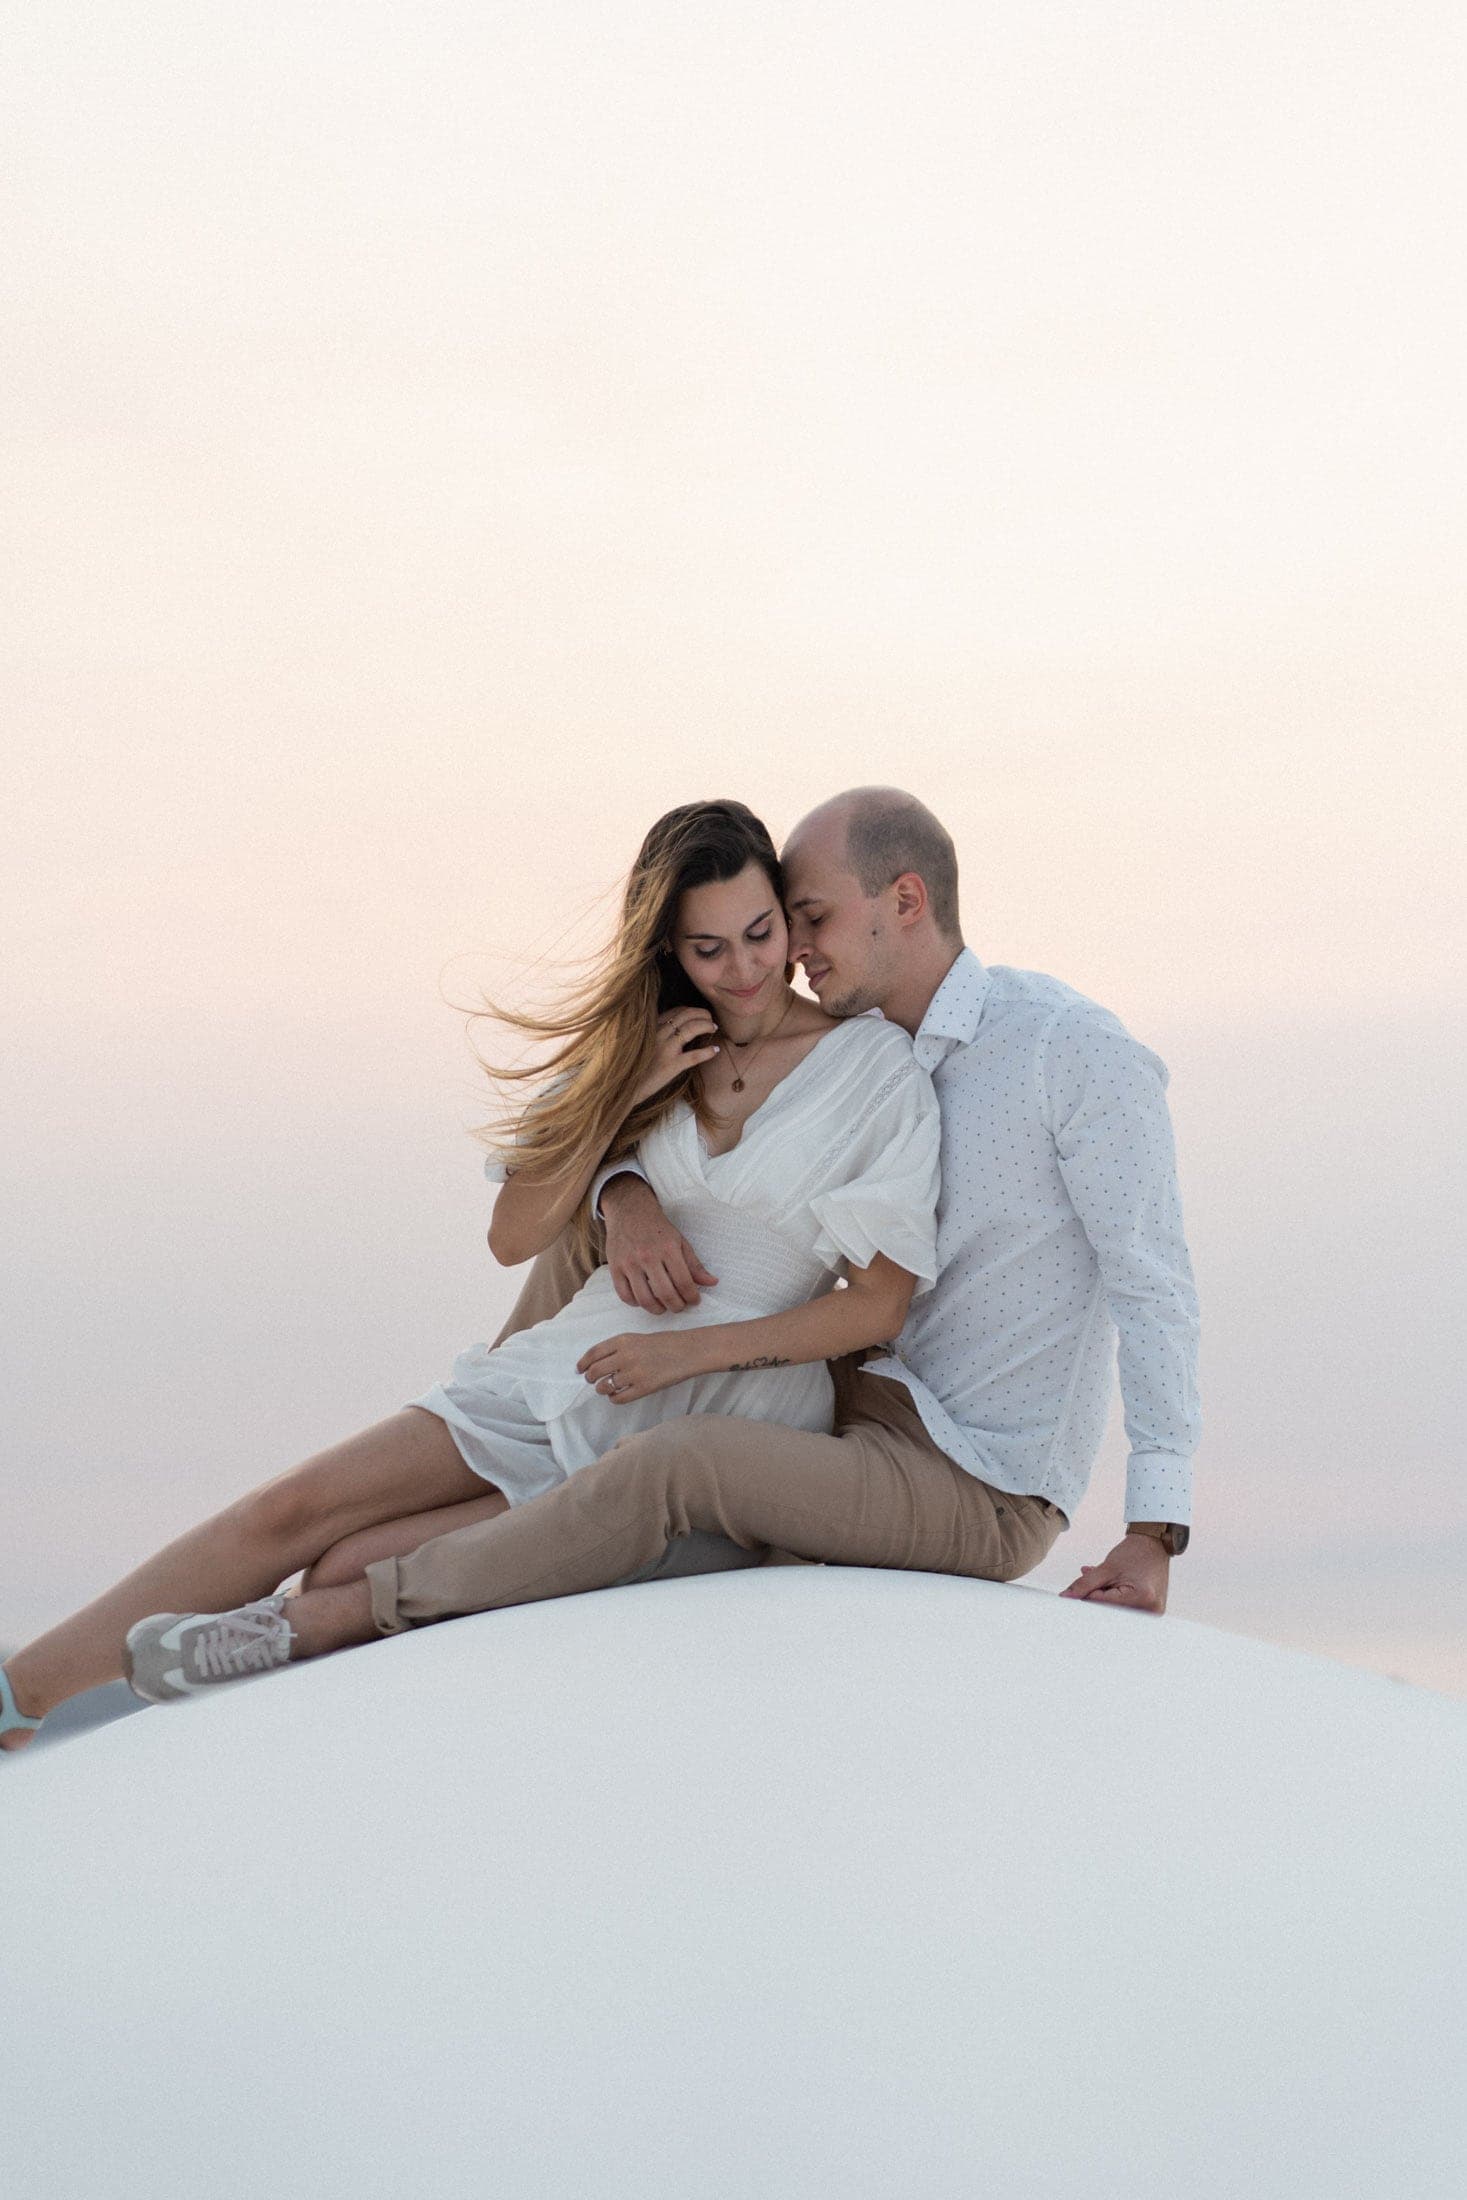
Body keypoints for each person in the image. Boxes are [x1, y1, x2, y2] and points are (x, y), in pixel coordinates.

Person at [2, 799, 954, 1745]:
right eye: (708, 949)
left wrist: (684, 1351)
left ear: (786, 918)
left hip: (713, 1400)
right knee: (290, 1507)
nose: (744, 970)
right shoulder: (646, 1047)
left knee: (344, 1572)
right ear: (668, 951)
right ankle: (17, 1697)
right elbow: (513, 1232)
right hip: (575, 1360)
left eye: (761, 933)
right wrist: (622, 1125)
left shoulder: (872, 1069)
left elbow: (874, 1306)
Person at [203, 782, 1198, 1659]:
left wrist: (1152, 1535)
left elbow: (1154, 1284)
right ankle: (501, 1444)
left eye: (804, 919)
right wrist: (621, 1194)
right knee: (361, 1525)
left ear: (905, 900)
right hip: (834, 1411)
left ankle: (342, 1618)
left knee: (662, 1469)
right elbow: (703, 1180)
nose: (790, 955)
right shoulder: (855, 1053)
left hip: (974, 1473)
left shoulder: (1067, 1053)